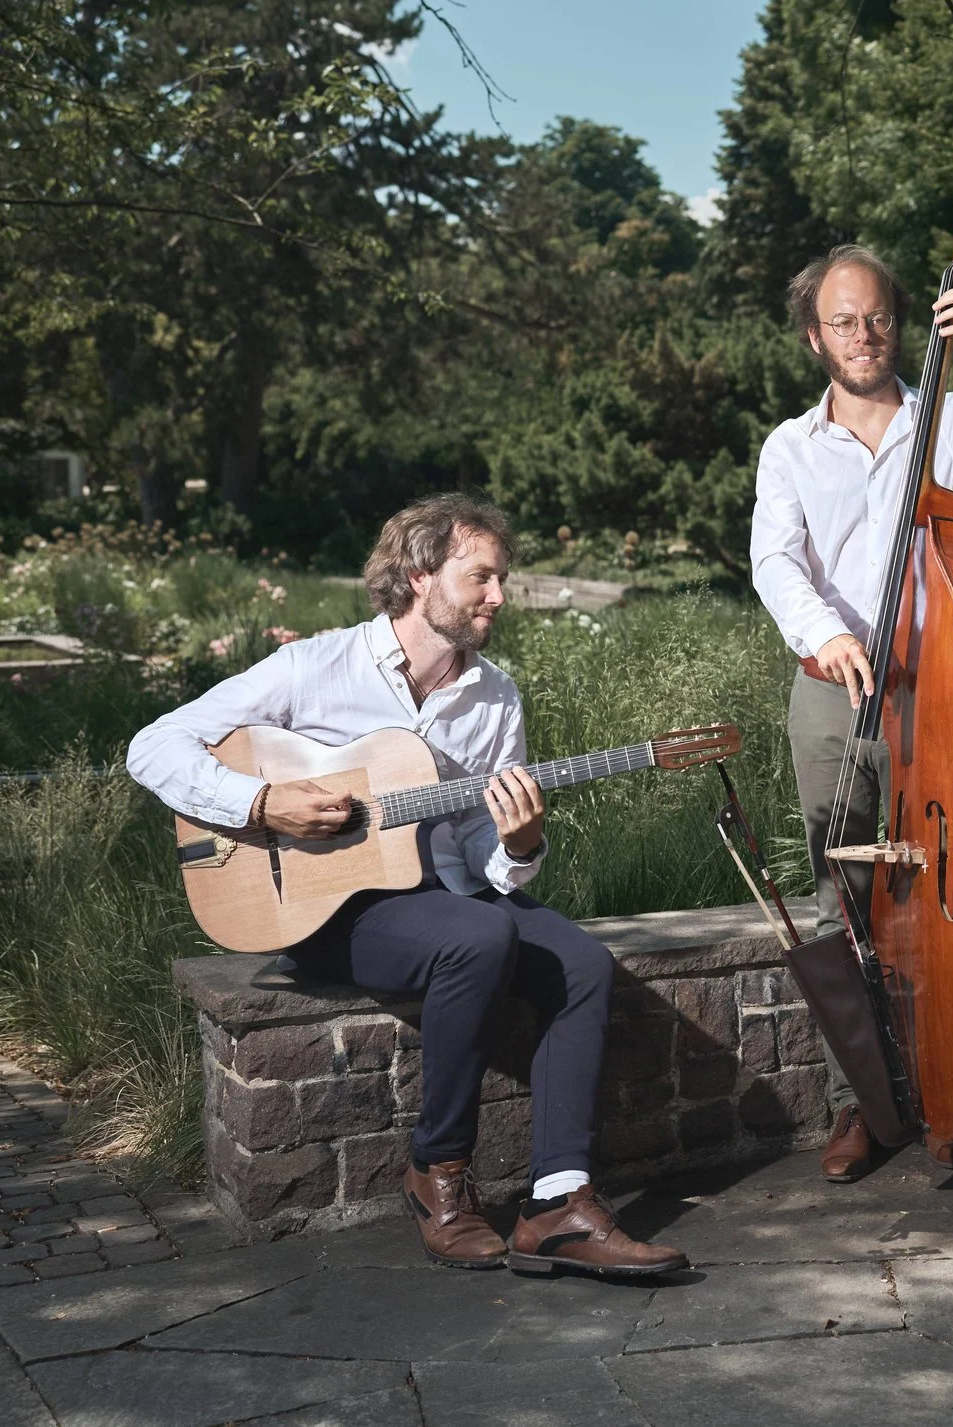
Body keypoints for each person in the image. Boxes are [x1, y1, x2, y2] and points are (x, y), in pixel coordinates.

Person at [127, 495, 685, 1278]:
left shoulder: (495, 696)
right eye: (481, 576)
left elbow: (492, 858)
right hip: (323, 912)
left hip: (443, 895)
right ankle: (439, 1173)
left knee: (583, 964)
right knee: (479, 937)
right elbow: (153, 746)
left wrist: (521, 843)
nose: (499, 595)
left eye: (502, 577)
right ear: (421, 573)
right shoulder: (313, 668)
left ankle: (558, 1200)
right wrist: (262, 801)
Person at [750, 242, 953, 1182]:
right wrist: (828, 633)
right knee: (843, 898)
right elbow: (776, 563)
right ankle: (869, 1098)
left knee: (943, 890)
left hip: (943, 693)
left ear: (904, 322)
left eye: (880, 316)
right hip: (833, 689)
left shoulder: (950, 424)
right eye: (844, 321)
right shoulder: (789, 446)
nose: (864, 335)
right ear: (816, 336)